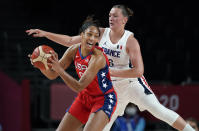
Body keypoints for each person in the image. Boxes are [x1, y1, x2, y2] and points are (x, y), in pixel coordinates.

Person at [26, 5, 195, 131]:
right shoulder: (99, 32)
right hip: (111, 87)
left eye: (115, 16)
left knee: (159, 110)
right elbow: (70, 40)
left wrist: (110, 71)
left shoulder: (130, 41)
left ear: (124, 20)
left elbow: (139, 71)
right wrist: (46, 34)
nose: (111, 18)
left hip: (131, 83)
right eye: (109, 15)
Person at [28, 17, 117, 131]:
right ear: (82, 35)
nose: (92, 38)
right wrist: (40, 65)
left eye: (96, 36)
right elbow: (52, 75)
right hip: (85, 97)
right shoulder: (73, 50)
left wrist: (59, 69)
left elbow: (79, 86)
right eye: (89, 34)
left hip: (104, 99)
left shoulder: (97, 58)